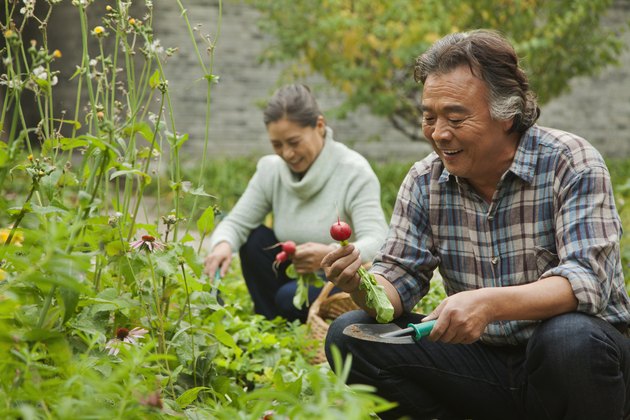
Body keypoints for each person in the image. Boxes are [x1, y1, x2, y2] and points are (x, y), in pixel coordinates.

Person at [321, 29, 630, 419]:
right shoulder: (424, 181)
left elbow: (587, 280)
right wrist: (361, 284)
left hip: (578, 364)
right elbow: (398, 278)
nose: (438, 133)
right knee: (349, 335)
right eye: (429, 117)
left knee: (568, 337)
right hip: (486, 365)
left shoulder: (570, 161)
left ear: (507, 114)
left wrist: (488, 303)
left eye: (455, 117)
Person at [203, 83, 388, 323]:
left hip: (337, 279)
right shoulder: (271, 170)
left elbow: (378, 240)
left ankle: (289, 320)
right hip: (293, 273)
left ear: (319, 126)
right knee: (254, 238)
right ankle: (272, 325)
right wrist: (222, 245)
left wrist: (331, 254)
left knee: (288, 297)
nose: (287, 153)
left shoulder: (354, 172)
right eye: (277, 145)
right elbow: (236, 222)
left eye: (294, 142)